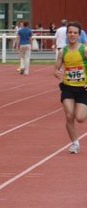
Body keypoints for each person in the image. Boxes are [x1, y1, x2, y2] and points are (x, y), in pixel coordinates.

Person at [54, 21, 87, 154]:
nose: (72, 35)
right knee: (69, 115)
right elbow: (56, 67)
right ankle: (75, 143)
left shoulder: (84, 50)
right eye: (70, 32)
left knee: (80, 118)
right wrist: (57, 72)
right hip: (67, 87)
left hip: (83, 89)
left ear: (79, 35)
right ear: (67, 34)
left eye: (75, 32)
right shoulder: (63, 51)